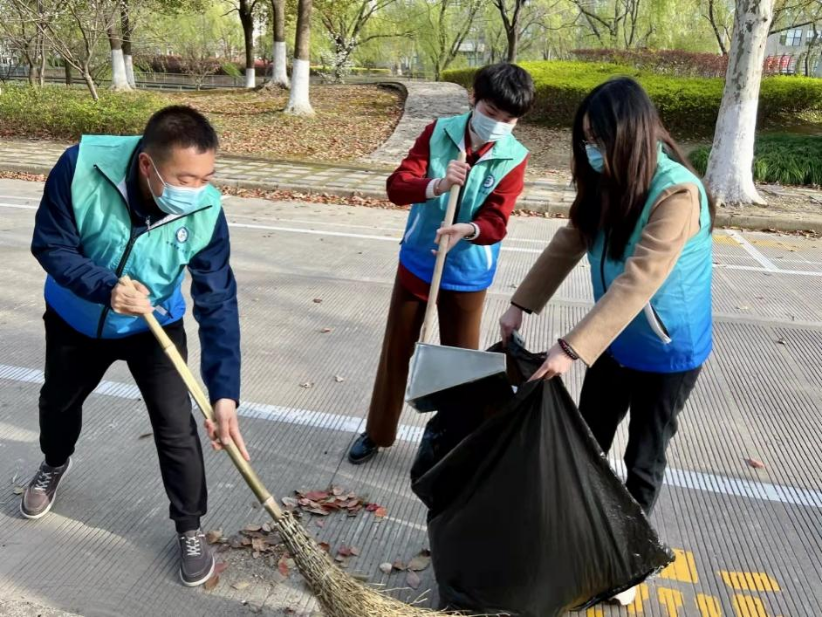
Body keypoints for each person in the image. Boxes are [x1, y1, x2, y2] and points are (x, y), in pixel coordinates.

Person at [499, 78, 713, 605]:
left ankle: (631, 561)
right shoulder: (606, 181)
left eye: (599, 140)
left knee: (644, 456)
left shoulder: (677, 191)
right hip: (613, 344)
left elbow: (638, 278)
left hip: (668, 352)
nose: (591, 151)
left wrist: (570, 348)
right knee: (590, 441)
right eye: (586, 140)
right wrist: (521, 304)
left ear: (632, 135)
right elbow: (569, 239)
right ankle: (582, 533)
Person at [21, 105, 246, 588]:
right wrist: (105, 288)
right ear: (148, 165)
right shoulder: (80, 166)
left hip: (154, 325)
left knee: (177, 427)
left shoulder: (207, 207)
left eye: (206, 177)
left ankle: (189, 526)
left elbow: (217, 298)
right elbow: (51, 245)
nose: (197, 190)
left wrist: (224, 390)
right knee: (57, 404)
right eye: (185, 178)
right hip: (76, 317)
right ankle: (54, 462)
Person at [348, 63, 535, 464]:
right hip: (418, 262)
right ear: (473, 98)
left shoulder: (514, 157)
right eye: (490, 113)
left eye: (508, 119)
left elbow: (497, 220)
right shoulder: (439, 132)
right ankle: (379, 431)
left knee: (460, 366)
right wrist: (437, 185)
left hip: (468, 273)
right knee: (397, 351)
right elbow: (397, 187)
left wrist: (466, 230)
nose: (497, 125)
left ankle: (455, 444)